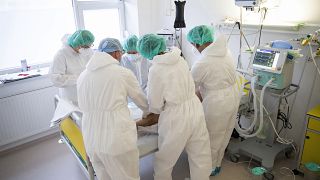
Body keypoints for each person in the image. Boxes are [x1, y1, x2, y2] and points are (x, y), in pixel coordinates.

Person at [137, 34, 212, 180]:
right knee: (200, 152)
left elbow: (156, 106)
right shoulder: (180, 59)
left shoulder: (156, 70)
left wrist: (147, 113)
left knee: (165, 159)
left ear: (147, 52)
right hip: (194, 107)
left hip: (176, 116)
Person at [77, 38, 149, 180]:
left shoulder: (83, 76)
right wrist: (149, 113)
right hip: (116, 139)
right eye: (121, 52)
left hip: (91, 139)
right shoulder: (122, 73)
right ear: (116, 53)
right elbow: (143, 103)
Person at [187, 25, 240, 176]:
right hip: (232, 95)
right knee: (225, 133)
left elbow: (189, 87)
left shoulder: (203, 63)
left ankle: (206, 169)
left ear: (197, 43)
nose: (193, 48)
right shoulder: (225, 51)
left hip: (217, 102)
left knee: (211, 136)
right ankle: (216, 164)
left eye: (192, 44)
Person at [49, 30, 95, 103]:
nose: (88, 49)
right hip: (71, 98)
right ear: (78, 44)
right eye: (86, 47)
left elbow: (94, 66)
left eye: (90, 46)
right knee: (76, 113)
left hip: (88, 95)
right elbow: (55, 79)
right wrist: (78, 78)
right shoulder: (61, 55)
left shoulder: (88, 51)